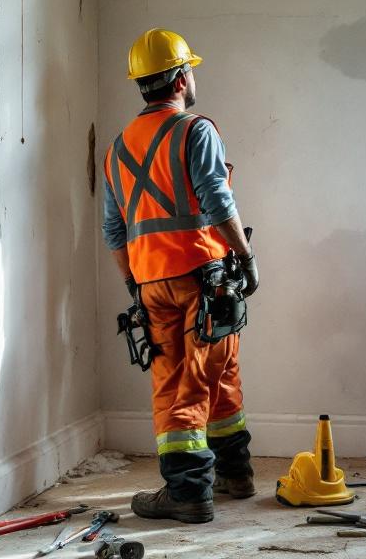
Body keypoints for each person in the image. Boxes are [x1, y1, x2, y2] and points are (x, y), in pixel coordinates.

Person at [102, 28, 260, 524]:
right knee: (200, 380)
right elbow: (217, 200)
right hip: (204, 276)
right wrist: (248, 256)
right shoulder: (196, 131)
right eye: (189, 69)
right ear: (179, 78)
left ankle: (234, 476)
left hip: (152, 281)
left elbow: (114, 229)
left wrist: (135, 282)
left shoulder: (117, 149)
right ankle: (191, 492)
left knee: (203, 375)